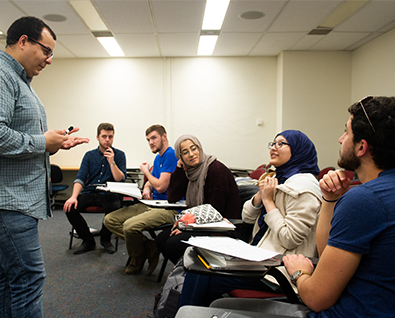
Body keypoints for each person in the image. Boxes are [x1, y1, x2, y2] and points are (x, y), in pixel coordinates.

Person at [0, 16, 89, 318]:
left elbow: (19, 136)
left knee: (8, 277)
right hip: (3, 199)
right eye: (46, 50)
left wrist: (54, 143)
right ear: (23, 41)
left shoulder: (19, 82)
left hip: (16, 199)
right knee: (29, 278)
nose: (50, 60)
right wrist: (43, 143)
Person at [178, 130, 322, 308]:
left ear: (299, 150)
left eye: (281, 143)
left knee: (201, 276)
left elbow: (289, 238)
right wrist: (260, 196)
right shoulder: (278, 178)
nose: (273, 148)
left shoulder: (304, 188)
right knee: (201, 263)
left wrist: (269, 201)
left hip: (279, 270)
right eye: (273, 143)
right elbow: (246, 217)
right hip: (260, 255)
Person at [282, 96, 395, 317]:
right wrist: (330, 199)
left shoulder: (365, 199)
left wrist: (299, 273)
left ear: (361, 146)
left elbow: (316, 298)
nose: (340, 139)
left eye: (347, 133)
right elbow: (329, 256)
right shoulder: (376, 194)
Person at [155, 134, 242, 265]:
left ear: (199, 148)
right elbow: (172, 197)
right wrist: (179, 169)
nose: (191, 154)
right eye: (185, 152)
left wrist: (188, 227)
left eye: (193, 148)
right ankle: (187, 271)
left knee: (174, 243)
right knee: (161, 240)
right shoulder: (190, 171)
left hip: (220, 227)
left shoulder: (215, 170)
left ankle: (194, 274)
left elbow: (215, 211)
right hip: (201, 222)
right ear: (180, 158)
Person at [104, 124, 179, 275]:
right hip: (152, 204)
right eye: (148, 140)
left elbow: (161, 187)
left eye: (154, 138)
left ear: (164, 136)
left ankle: (137, 256)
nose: (151, 142)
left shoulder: (171, 155)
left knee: (129, 227)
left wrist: (145, 172)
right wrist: (146, 187)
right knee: (110, 220)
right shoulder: (158, 158)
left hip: (168, 208)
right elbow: (152, 182)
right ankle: (149, 248)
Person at [63, 122, 127, 254]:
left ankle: (105, 239)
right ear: (98, 137)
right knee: (70, 207)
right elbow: (80, 178)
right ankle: (88, 240)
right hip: (90, 191)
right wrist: (73, 197)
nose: (107, 140)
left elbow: (120, 179)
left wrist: (112, 162)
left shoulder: (119, 155)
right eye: (104, 136)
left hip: (109, 193)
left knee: (115, 205)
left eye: (110, 137)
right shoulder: (89, 155)